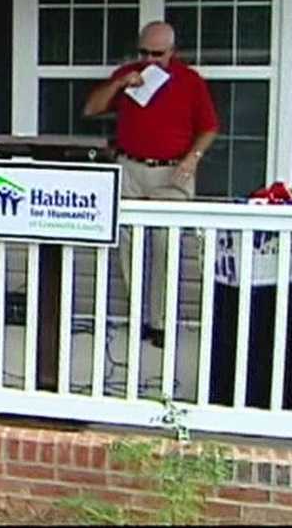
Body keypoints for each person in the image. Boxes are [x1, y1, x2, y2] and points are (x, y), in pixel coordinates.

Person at [83, 21, 219, 348]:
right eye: (144, 52)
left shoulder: (190, 81)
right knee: (128, 246)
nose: (150, 60)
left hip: (171, 172)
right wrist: (119, 84)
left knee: (165, 248)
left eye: (157, 54)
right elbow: (90, 109)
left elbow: (210, 127)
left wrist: (193, 158)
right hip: (131, 166)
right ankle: (139, 316)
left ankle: (161, 322)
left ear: (173, 52)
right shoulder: (130, 74)